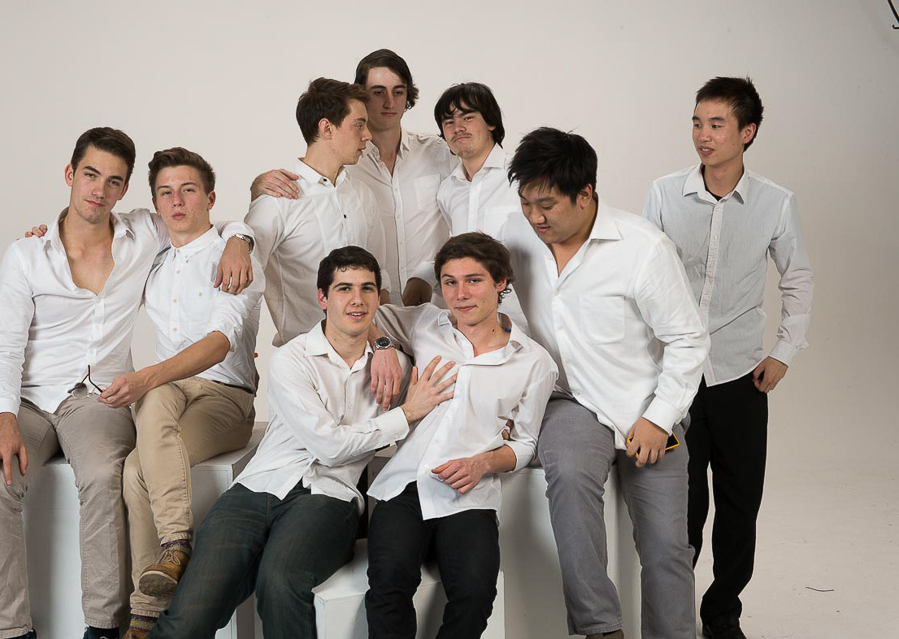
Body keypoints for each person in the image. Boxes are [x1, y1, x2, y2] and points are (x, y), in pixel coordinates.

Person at [0, 128, 253, 639]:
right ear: (70, 175)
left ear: (124, 191)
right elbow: (4, 348)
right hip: (28, 399)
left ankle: (104, 625)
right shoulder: (26, 254)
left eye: (114, 181)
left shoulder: (143, 234)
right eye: (90, 175)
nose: (99, 190)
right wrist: (3, 419)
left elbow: (205, 220)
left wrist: (240, 239)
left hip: (97, 398)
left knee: (105, 476)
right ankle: (9, 630)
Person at [147, 246, 456, 639]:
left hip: (330, 497)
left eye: (367, 289)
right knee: (189, 615)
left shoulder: (398, 370)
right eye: (344, 288)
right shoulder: (292, 359)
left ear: (378, 298)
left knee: (281, 582)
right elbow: (329, 446)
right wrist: (406, 413)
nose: (357, 299)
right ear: (322, 298)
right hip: (256, 489)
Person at [504, 127, 710, 639]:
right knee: (570, 480)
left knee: (666, 546)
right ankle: (600, 628)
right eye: (527, 203)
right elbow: (461, 267)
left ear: (586, 194)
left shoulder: (643, 248)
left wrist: (659, 418)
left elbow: (688, 340)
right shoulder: (515, 237)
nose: (535, 217)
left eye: (547, 205)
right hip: (569, 401)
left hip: (645, 405)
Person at [642, 76, 814, 639]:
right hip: (677, 377)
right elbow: (642, 280)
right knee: (681, 505)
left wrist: (784, 351)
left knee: (740, 504)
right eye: (697, 122)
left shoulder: (775, 202)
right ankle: (672, 610)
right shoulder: (664, 193)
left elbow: (797, 278)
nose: (703, 135)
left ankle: (721, 612)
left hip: (741, 376)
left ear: (747, 132)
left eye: (717, 124)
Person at [365, 232, 558, 639]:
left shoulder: (533, 361)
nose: (460, 294)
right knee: (388, 582)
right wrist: (382, 346)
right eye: (450, 282)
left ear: (501, 282)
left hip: (469, 494)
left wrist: (482, 463)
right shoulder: (424, 322)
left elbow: (525, 443)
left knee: (475, 593)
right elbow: (364, 314)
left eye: (474, 280)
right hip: (404, 486)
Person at [113, 148, 265, 639]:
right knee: (136, 463)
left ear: (210, 198)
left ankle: (156, 590)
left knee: (143, 442)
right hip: (171, 395)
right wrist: (43, 235)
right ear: (156, 203)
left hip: (226, 398)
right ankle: (157, 591)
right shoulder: (154, 260)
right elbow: (93, 233)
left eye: (188, 190)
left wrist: (239, 236)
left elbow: (220, 343)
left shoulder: (233, 256)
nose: (176, 201)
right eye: (165, 193)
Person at [251, 49, 456, 306]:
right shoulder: (335, 171)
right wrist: (256, 196)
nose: (390, 102)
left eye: (398, 92)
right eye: (378, 92)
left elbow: (472, 204)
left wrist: (425, 277)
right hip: (336, 323)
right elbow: (247, 272)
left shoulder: (438, 153)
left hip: (432, 311)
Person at [245, 77, 390, 348]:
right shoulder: (277, 200)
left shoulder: (363, 195)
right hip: (303, 356)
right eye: (359, 124)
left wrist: (384, 344)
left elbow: (380, 278)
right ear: (326, 128)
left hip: (367, 354)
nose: (368, 135)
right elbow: (244, 283)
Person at [432, 82, 529, 332]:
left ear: (491, 122)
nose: (458, 128)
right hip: (473, 327)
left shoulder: (524, 176)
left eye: (468, 117)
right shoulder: (448, 190)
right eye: (449, 122)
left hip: (526, 322)